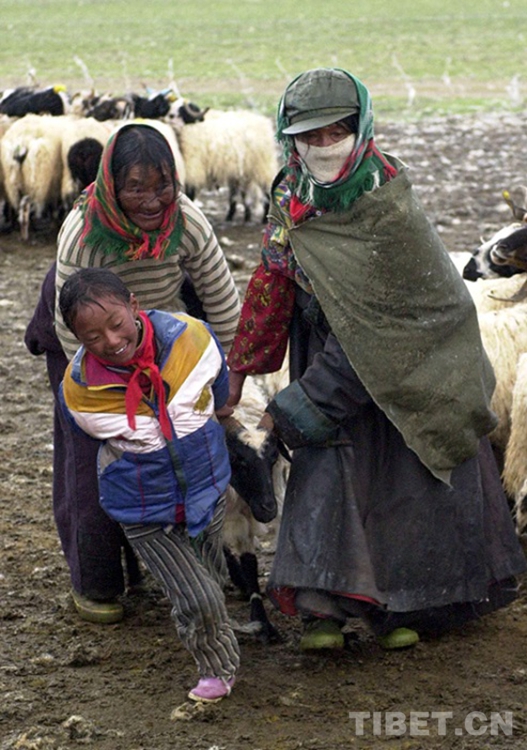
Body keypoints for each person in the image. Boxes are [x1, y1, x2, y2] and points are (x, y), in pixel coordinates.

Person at [227, 67, 526, 651]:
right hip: (325, 346)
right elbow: (273, 280)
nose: (323, 146)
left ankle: (404, 606)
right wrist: (241, 369)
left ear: (360, 127)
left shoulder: (384, 193)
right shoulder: (290, 194)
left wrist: (303, 401)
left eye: (335, 132)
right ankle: (323, 611)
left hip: (408, 362)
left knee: (405, 480)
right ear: (290, 137)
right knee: (327, 471)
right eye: (308, 135)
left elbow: (418, 300)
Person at [25, 123, 240, 624]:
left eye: (162, 185)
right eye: (136, 188)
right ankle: (96, 581)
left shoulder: (186, 221)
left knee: (180, 441)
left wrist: (225, 379)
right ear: (111, 186)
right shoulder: (83, 234)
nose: (151, 200)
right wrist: (109, 394)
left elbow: (222, 304)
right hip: (84, 338)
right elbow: (73, 334)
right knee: (96, 456)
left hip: (158, 334)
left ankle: (184, 569)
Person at [58, 267, 240, 703]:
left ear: (134, 306)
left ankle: (207, 628)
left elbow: (219, 392)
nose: (111, 341)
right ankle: (218, 668)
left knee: (211, 576)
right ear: (76, 339)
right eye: (92, 336)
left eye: (116, 323)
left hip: (206, 486)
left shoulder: (192, 340)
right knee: (197, 596)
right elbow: (88, 441)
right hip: (142, 507)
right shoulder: (81, 389)